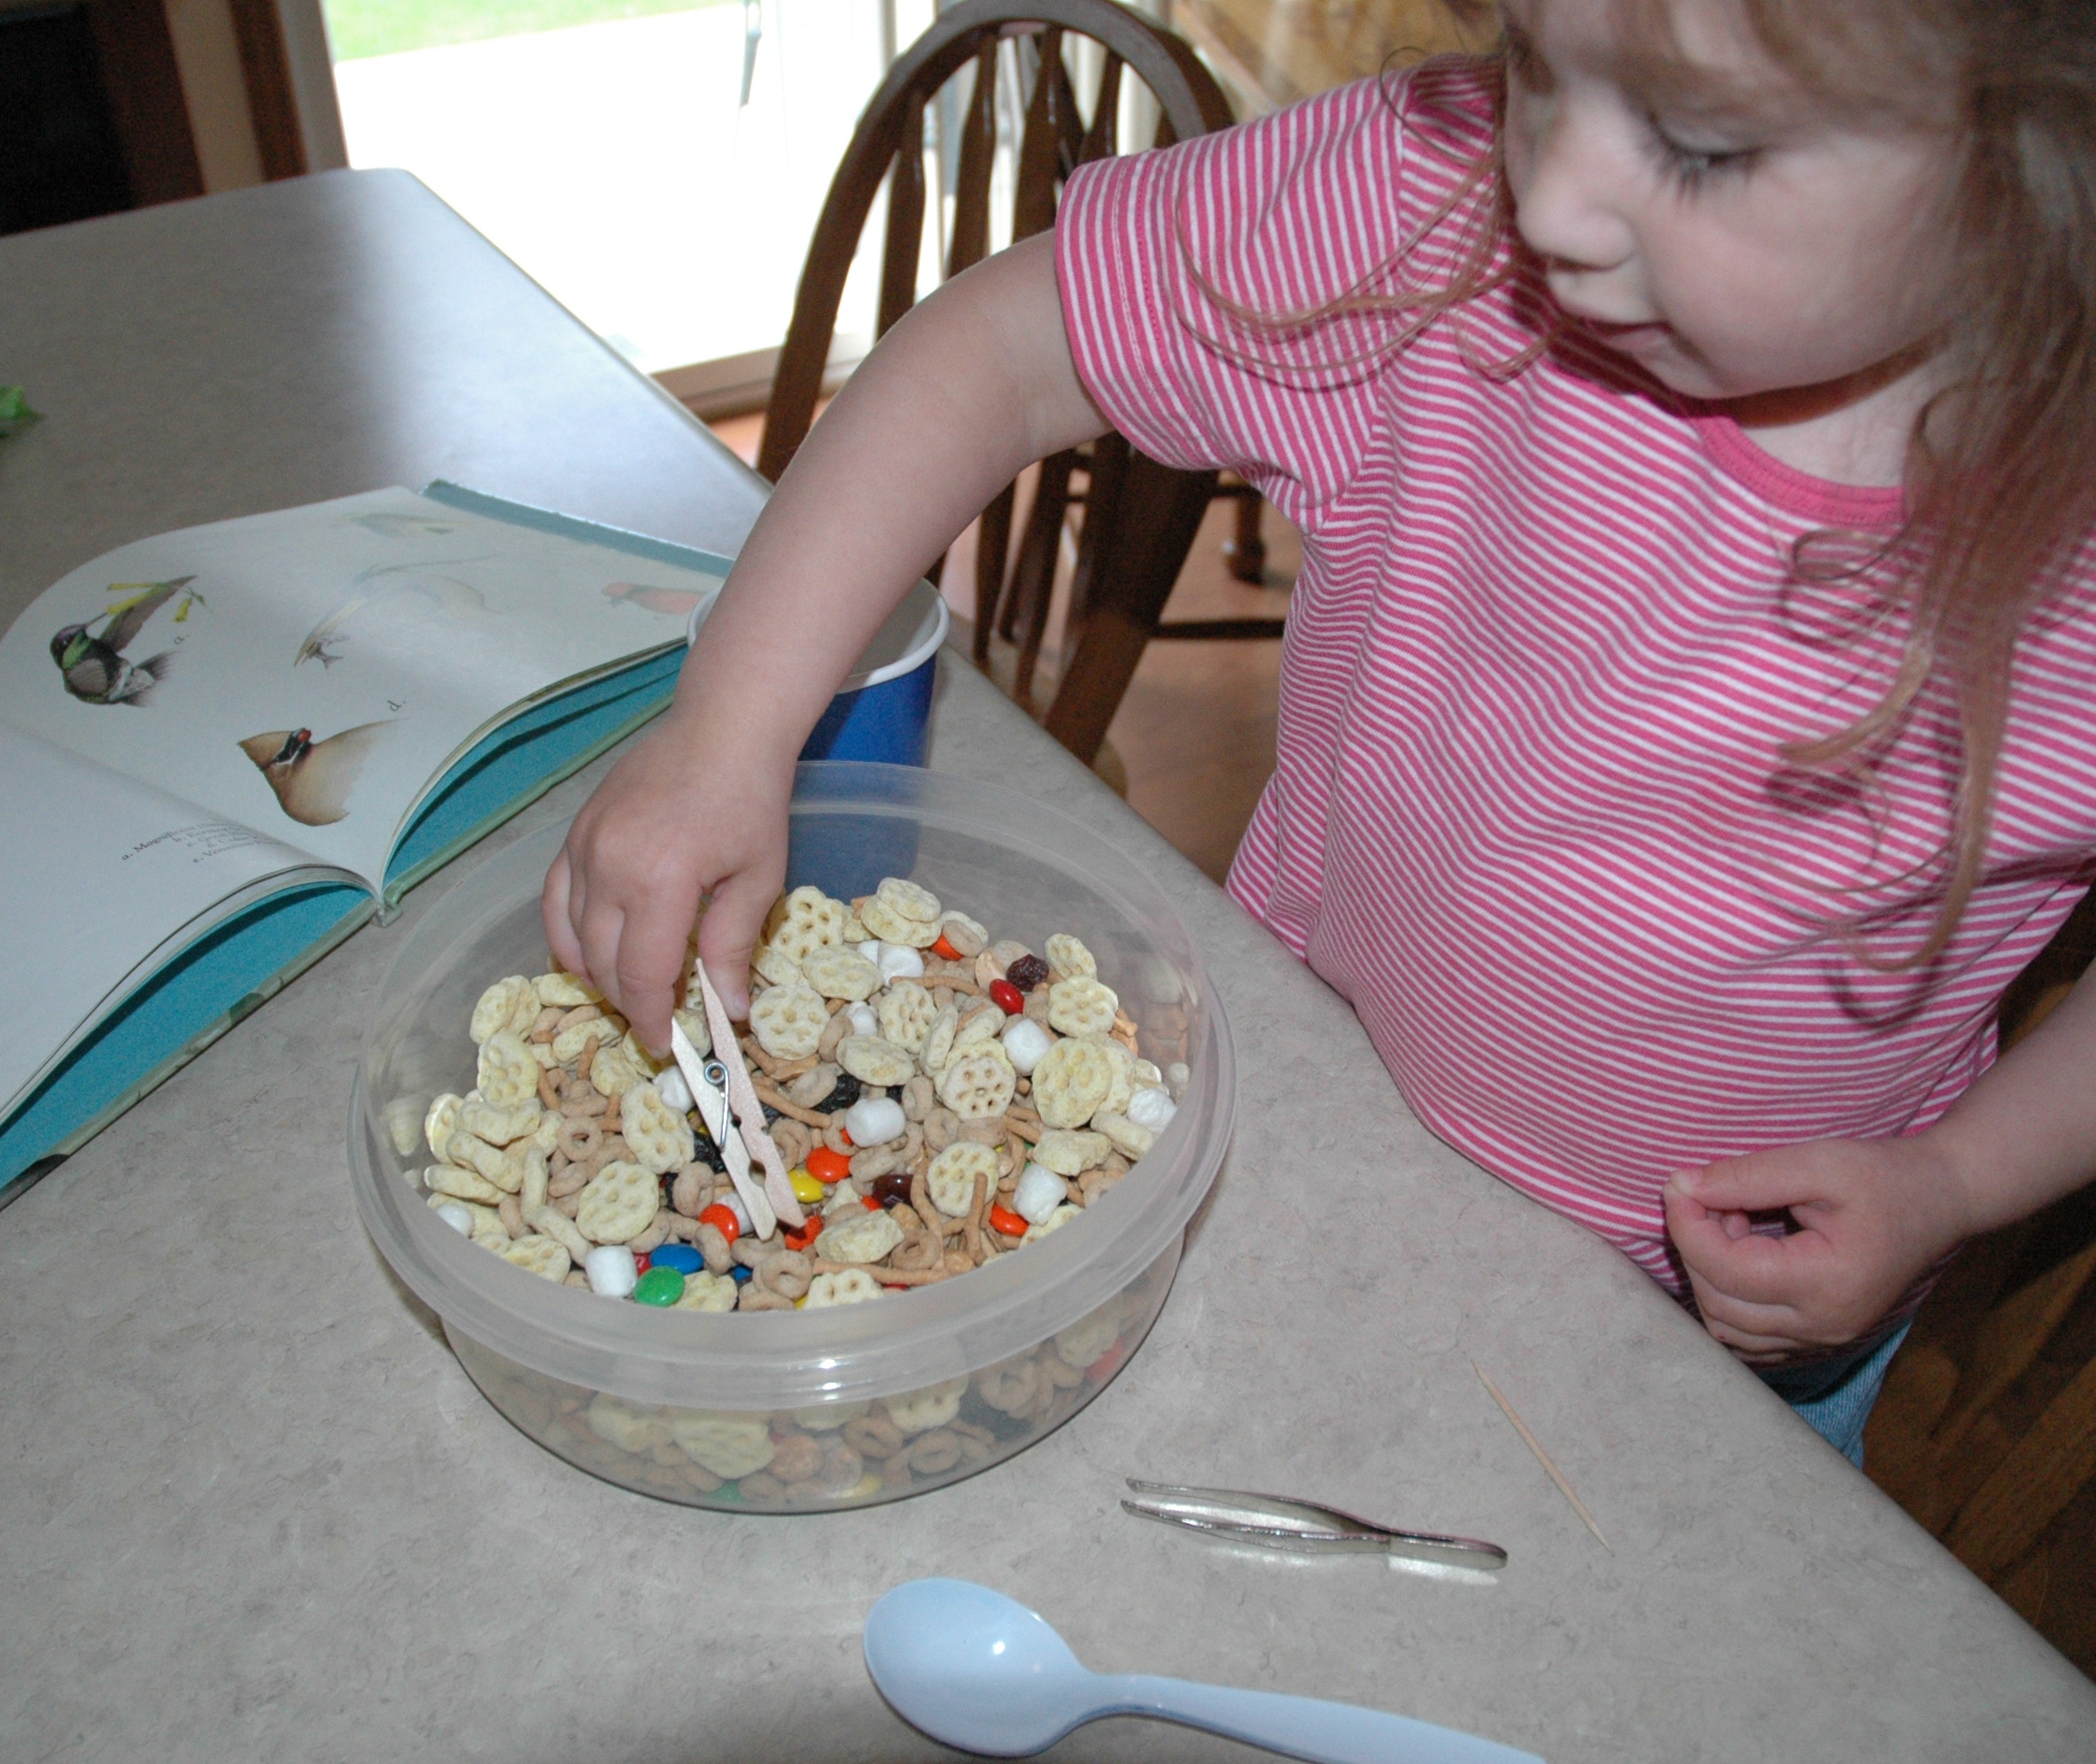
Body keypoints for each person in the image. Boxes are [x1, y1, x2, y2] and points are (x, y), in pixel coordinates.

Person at [545, 0, 2096, 1464]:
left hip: (1703, 1333)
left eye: (1697, 145)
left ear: (2043, 147)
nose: (1549, 196)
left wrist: (1954, 1182)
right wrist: (730, 722)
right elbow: (1012, 351)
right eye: (1535, 59)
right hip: (1298, 1114)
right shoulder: (1438, 210)